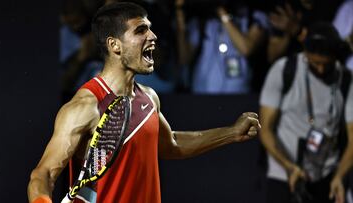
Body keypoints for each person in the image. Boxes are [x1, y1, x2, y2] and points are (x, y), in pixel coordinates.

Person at [27, 2, 261, 203]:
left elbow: (172, 144)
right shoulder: (85, 107)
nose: (153, 37)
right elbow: (44, 174)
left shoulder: (149, 98)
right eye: (141, 31)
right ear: (114, 45)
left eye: (150, 29)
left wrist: (231, 133)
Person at [260, 22, 353, 203]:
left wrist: (340, 176)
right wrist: (288, 166)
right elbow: (265, 129)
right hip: (284, 174)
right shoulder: (284, 70)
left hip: (325, 175)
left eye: (326, 64)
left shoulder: (347, 80)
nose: (320, 69)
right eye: (315, 63)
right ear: (306, 54)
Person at [175, 0, 269, 94]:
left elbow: (246, 48)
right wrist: (180, 14)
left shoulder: (254, 15)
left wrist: (221, 12)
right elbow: (184, 58)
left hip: (239, 94)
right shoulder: (202, 18)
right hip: (202, 92)